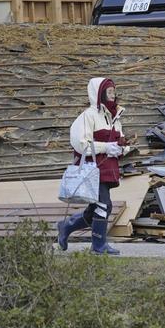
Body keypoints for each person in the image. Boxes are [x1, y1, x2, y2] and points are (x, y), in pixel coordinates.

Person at [57, 77, 128, 255]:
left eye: (114, 92)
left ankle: (66, 226)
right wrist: (106, 147)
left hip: (108, 168)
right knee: (104, 205)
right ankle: (98, 246)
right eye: (109, 92)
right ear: (99, 94)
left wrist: (122, 148)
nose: (113, 95)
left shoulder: (115, 116)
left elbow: (119, 141)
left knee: (98, 207)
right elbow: (80, 144)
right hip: (92, 169)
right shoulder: (88, 116)